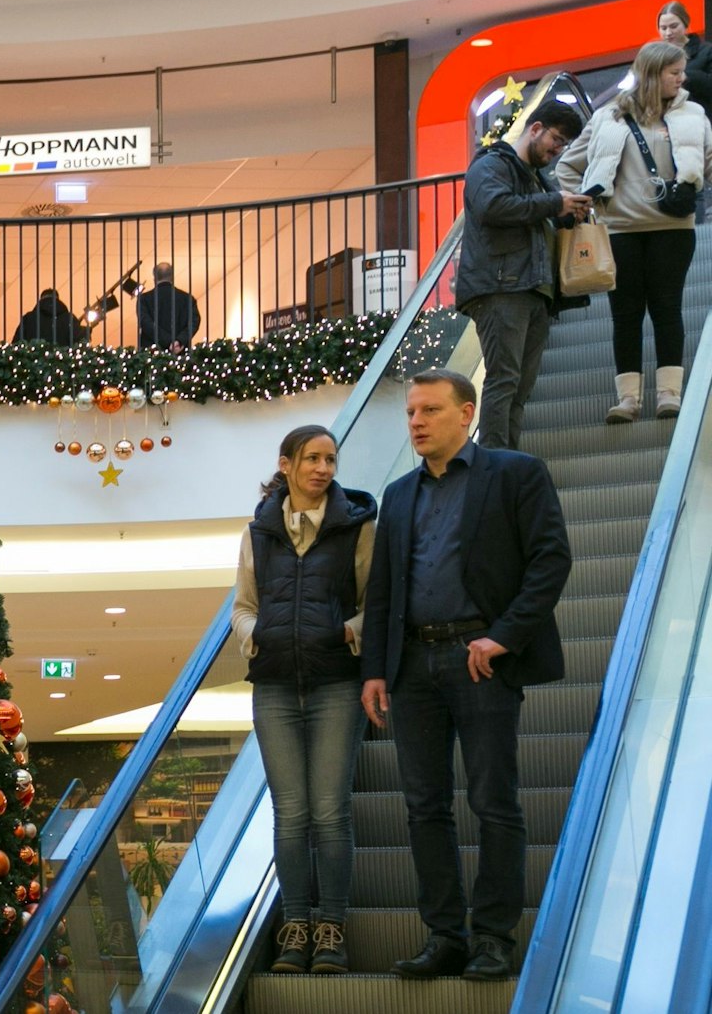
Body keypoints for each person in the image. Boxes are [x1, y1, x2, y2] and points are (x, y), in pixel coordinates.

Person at [360, 369, 571, 981]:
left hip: (480, 662)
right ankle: (445, 935)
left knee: (493, 803)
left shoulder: (515, 474)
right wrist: (375, 669)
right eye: (410, 413)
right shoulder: (398, 494)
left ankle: (494, 938)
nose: (417, 422)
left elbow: (551, 559)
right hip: (413, 667)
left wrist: (504, 635)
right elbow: (382, 592)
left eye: (429, 411)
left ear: (467, 413)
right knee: (424, 807)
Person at [231, 425, 376, 974]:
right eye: (312, 458)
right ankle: (296, 927)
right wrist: (257, 636)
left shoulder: (357, 527)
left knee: (329, 812)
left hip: (337, 683)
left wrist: (344, 633)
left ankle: (332, 928)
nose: (322, 468)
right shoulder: (258, 532)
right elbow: (243, 605)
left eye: (330, 460)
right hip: (272, 687)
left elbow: (373, 603)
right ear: (286, 464)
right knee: (290, 814)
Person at [557, 40, 712, 422]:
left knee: (667, 309)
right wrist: (584, 202)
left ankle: (669, 395)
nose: (682, 78)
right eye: (674, 72)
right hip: (620, 231)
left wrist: (690, 183)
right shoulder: (608, 116)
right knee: (625, 315)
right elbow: (567, 166)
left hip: (673, 228)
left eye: (682, 71)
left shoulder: (693, 113)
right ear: (651, 73)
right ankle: (627, 400)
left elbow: (707, 163)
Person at [456, 100, 590, 450]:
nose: (557, 150)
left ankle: (508, 466)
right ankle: (493, 466)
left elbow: (529, 218)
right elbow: (493, 206)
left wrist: (563, 215)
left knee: (518, 390)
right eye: (556, 140)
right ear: (535, 128)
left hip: (534, 291)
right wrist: (553, 204)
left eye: (563, 145)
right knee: (504, 382)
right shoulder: (491, 164)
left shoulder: (536, 179)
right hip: (501, 287)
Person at [658, 0, 712, 113]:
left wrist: (685, 75)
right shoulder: (657, 59)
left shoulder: (707, 51)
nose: (668, 33)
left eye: (673, 26)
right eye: (663, 28)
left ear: (686, 24)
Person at [136, 262, 202, 350]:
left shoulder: (144, 299)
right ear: (172, 277)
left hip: (152, 351)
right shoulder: (187, 298)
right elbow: (194, 322)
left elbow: (146, 323)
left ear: (154, 277)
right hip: (180, 351)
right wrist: (179, 341)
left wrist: (169, 341)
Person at [11, 288, 87, 346]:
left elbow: (17, 343)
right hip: (62, 363)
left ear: (41, 299)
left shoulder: (29, 318)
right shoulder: (69, 318)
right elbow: (79, 340)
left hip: (33, 364)